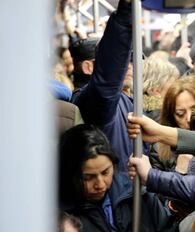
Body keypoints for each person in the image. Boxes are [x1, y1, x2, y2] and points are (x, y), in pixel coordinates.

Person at [58, 124, 176, 232]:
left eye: (105, 172)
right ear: (70, 174)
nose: (100, 185)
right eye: (88, 177)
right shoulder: (61, 217)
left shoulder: (137, 193)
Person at [72, 0, 144, 172]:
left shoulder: (129, 100)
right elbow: (108, 78)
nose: (128, 66)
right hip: (115, 196)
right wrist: (125, 15)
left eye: (131, 59)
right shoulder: (92, 100)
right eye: (123, 60)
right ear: (90, 67)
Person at [155, 76, 195, 173]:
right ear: (171, 117)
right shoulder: (158, 149)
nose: (189, 118)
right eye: (180, 113)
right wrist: (179, 172)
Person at [142, 57, 180, 122]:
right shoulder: (163, 117)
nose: (178, 90)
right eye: (173, 86)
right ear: (156, 91)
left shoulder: (137, 108)